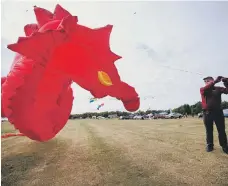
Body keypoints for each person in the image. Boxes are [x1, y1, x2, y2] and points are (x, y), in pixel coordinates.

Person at [200, 76, 228, 154]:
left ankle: (225, 146)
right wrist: (215, 81)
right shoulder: (203, 89)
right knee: (209, 130)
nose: (206, 82)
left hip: (218, 112)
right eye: (205, 81)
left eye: (207, 80)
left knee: (221, 130)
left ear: (212, 80)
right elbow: (207, 88)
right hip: (207, 113)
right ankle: (210, 145)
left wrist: (226, 82)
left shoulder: (218, 88)